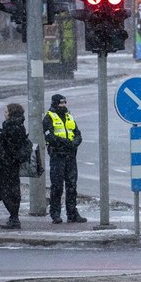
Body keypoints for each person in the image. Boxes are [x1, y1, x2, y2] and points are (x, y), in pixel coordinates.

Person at [43, 93, 86, 224]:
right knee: (57, 186)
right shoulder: (48, 118)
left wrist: (75, 142)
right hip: (57, 156)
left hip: (71, 155)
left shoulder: (69, 116)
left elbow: (77, 133)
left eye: (65, 102)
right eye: (61, 103)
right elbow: (49, 137)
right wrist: (66, 142)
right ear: (55, 103)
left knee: (72, 186)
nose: (64, 105)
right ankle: (55, 213)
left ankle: (72, 213)